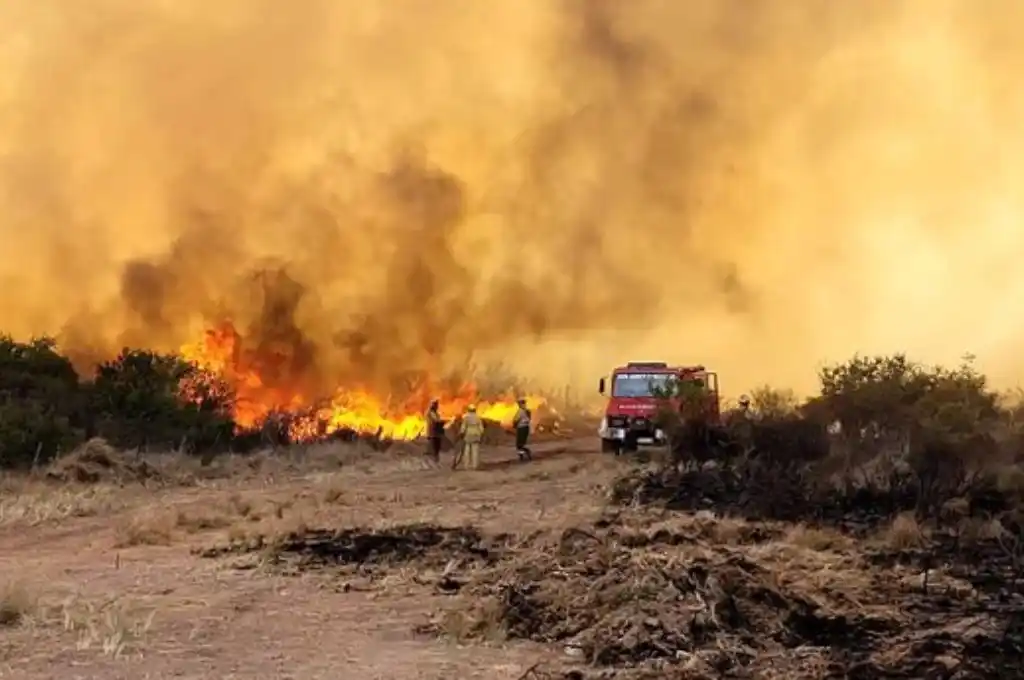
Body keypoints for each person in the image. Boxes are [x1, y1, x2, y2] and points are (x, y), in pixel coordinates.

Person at [459, 404, 485, 470]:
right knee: (475, 450)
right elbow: (481, 427)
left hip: (468, 434)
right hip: (476, 434)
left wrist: (461, 432)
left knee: (467, 450)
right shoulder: (478, 417)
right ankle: (474, 465)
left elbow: (463, 426)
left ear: (469, 410)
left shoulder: (466, 417)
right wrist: (481, 433)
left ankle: (466, 465)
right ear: (474, 410)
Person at [424, 399, 444, 464]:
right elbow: (436, 420)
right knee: (434, 447)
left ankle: (435, 459)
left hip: (436, 432)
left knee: (437, 447)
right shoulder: (431, 412)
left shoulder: (435, 413)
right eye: (436, 405)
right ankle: (434, 460)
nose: (437, 406)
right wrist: (443, 421)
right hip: (433, 432)